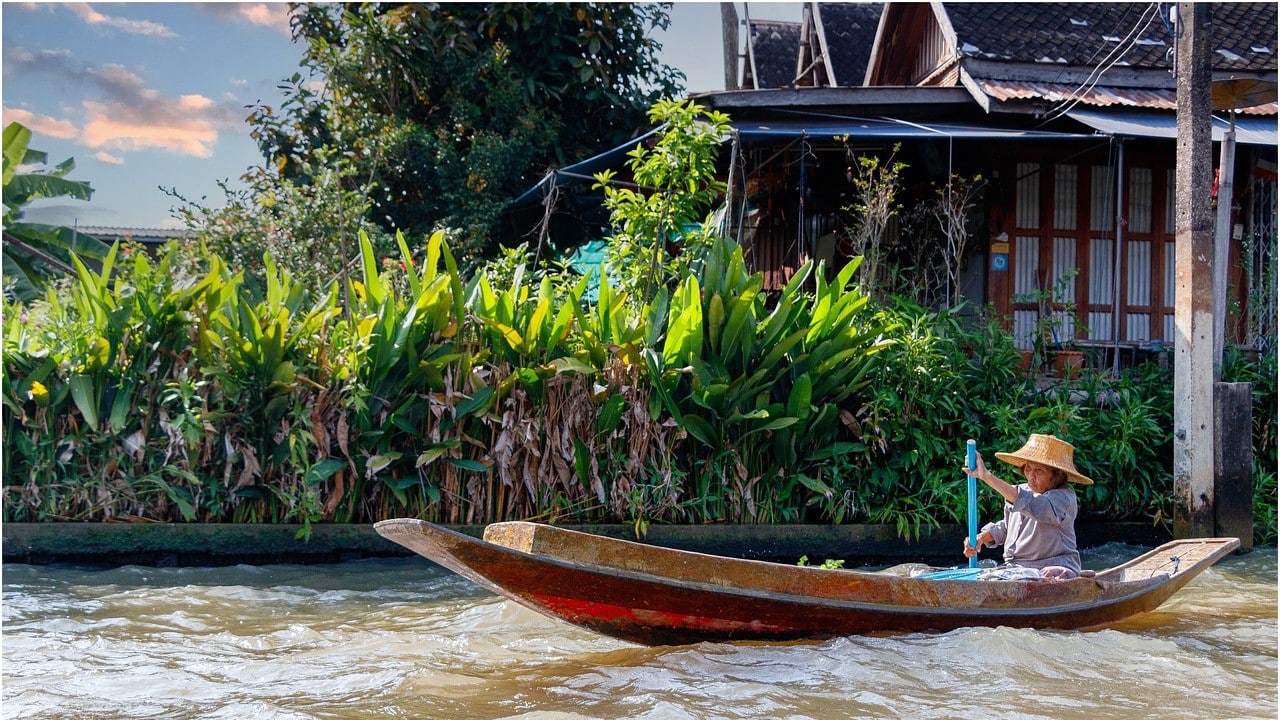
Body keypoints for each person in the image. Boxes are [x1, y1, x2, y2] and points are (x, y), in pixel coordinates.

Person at [962, 433, 1093, 580]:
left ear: (1057, 476)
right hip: (1015, 569)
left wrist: (987, 476)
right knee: (984, 577)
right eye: (1028, 468)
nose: (1031, 476)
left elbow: (1034, 506)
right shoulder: (1022, 491)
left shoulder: (1063, 498)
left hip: (1052, 566)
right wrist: (980, 538)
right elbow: (1007, 527)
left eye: (1039, 471)